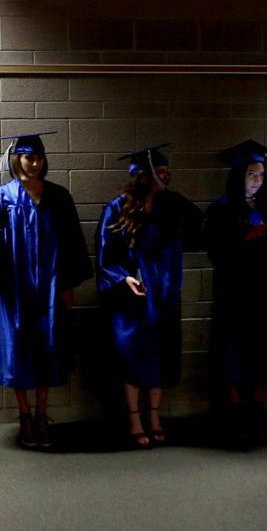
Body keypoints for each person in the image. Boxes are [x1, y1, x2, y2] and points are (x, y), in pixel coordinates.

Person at [0, 132, 93, 449]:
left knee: (47, 351)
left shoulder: (60, 197)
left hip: (51, 289)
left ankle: (41, 415)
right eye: (28, 157)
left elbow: (73, 247)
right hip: (15, 291)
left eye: (38, 157)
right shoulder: (1, 196)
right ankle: (25, 416)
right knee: (18, 353)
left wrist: (68, 286)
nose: (34, 162)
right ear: (16, 160)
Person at [97, 144, 203, 448]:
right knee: (133, 358)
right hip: (133, 296)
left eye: (168, 174)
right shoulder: (118, 207)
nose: (166, 178)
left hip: (166, 294)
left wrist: (172, 197)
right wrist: (123, 277)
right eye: (161, 173)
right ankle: (134, 418)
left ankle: (154, 416)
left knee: (162, 358)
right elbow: (106, 254)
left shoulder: (172, 206)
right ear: (143, 175)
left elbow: (198, 228)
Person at [205, 140, 267, 442]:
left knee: (263, 347)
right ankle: (235, 411)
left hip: (266, 286)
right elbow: (217, 251)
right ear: (237, 176)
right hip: (235, 289)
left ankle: (257, 406)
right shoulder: (221, 209)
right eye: (251, 175)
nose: (257, 182)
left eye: (260, 175)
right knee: (234, 347)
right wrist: (250, 235)